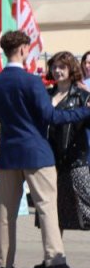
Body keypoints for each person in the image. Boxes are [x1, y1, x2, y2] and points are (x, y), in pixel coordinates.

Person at [0, 30, 90, 268]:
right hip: (37, 153)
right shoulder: (32, 82)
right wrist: (84, 112)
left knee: (5, 210)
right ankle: (55, 259)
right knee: (47, 207)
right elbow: (50, 116)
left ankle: (4, 263)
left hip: (9, 153)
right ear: (22, 50)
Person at [45, 52, 90, 234]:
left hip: (76, 160)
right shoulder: (46, 95)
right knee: (52, 214)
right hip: (50, 161)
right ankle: (53, 259)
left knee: (87, 208)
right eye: (54, 67)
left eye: (62, 67)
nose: (57, 71)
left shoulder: (82, 96)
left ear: (71, 69)